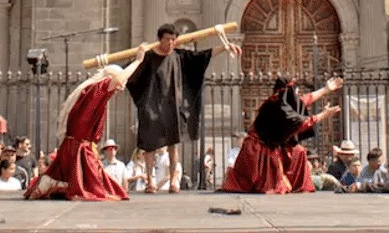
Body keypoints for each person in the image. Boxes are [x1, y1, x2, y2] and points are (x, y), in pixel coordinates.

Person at [27, 43, 150, 201]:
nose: (120, 89)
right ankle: (51, 183)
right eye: (120, 85)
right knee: (97, 191)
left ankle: (51, 182)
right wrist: (138, 60)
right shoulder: (96, 90)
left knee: (107, 189)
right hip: (79, 148)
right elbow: (119, 79)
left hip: (78, 147)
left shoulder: (93, 92)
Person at [127, 23, 240, 193]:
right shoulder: (148, 57)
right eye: (167, 39)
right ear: (160, 39)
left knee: (173, 145)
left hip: (172, 106)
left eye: (173, 40)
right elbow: (129, 73)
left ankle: (173, 181)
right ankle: (150, 182)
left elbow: (202, 56)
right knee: (149, 145)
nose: (170, 43)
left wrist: (224, 48)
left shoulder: (179, 56)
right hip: (151, 107)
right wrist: (138, 58)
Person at [221, 76, 343, 193]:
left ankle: (297, 185)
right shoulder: (277, 107)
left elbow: (305, 99)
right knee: (272, 186)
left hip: (271, 145)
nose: (297, 92)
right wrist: (323, 115)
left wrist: (325, 90)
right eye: (295, 89)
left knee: (299, 151)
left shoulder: (284, 102)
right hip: (259, 150)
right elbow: (301, 124)